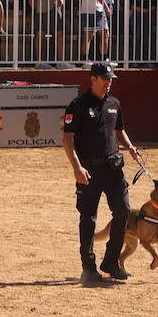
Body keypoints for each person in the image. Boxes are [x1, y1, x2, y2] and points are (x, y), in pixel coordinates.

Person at [62, 62, 141, 285]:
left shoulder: (114, 103)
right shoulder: (78, 105)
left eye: (111, 79)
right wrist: (77, 167)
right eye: (105, 79)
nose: (108, 83)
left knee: (123, 211)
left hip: (113, 168)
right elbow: (67, 138)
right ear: (93, 78)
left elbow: (119, 129)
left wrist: (130, 147)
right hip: (88, 169)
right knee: (88, 218)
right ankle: (89, 267)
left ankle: (111, 261)